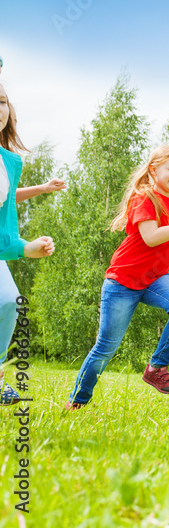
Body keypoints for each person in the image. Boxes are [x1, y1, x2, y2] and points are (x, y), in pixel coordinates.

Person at [66, 145, 169, 408]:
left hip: (155, 279)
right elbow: (151, 238)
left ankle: (156, 368)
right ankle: (78, 401)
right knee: (105, 348)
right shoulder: (144, 198)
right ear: (153, 169)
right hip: (122, 282)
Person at [0, 73, 60, 405]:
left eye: (3, 100)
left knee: (8, 301)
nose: (0, 107)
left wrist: (25, 247)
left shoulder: (9, 161)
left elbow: (4, 215)